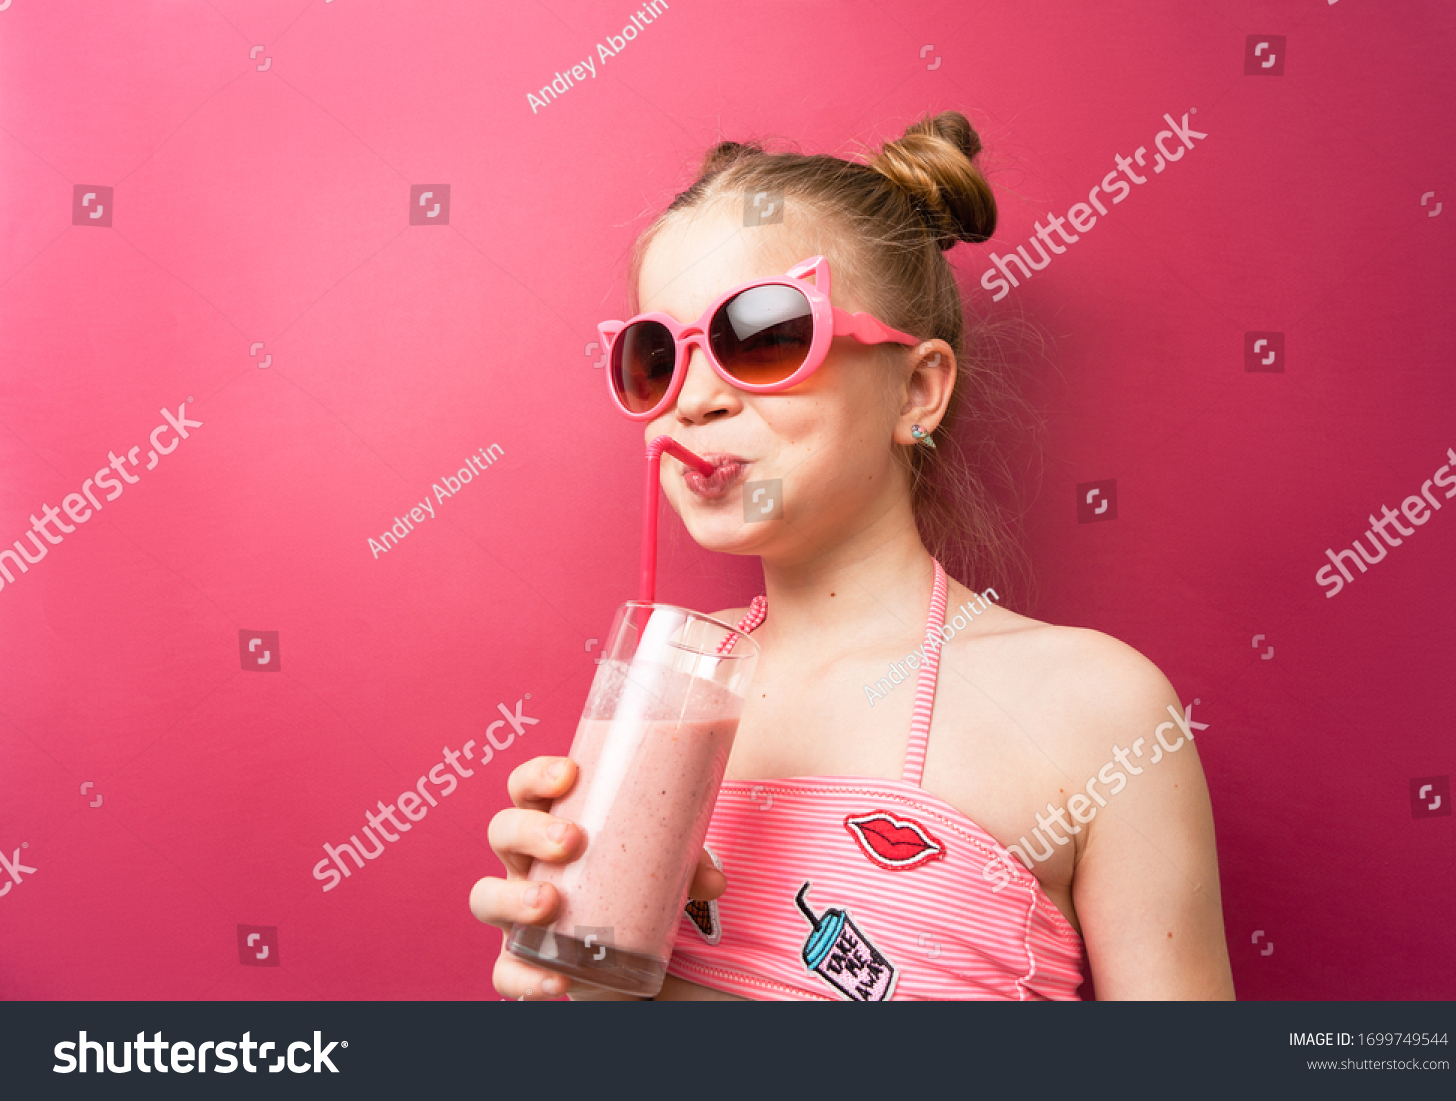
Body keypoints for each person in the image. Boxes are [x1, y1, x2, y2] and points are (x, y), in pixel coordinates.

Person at [469, 111, 1234, 1001]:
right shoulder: (664, 693)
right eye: (654, 359)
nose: (694, 401)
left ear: (917, 386)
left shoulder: (1099, 709)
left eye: (761, 336)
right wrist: (576, 1008)